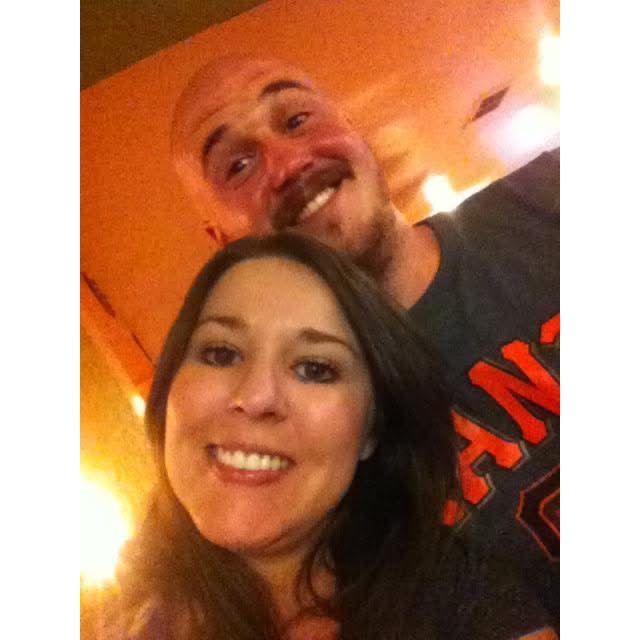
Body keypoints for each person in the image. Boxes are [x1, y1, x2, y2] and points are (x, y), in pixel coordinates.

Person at [170, 56, 560, 623]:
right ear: (224, 239)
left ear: (352, 129)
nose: (287, 163)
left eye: (297, 119)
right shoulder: (300, 451)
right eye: (239, 165)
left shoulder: (555, 197)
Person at [111, 233, 555, 640]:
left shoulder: (460, 600)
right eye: (220, 353)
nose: (256, 397)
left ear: (370, 432)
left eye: (314, 369)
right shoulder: (117, 621)